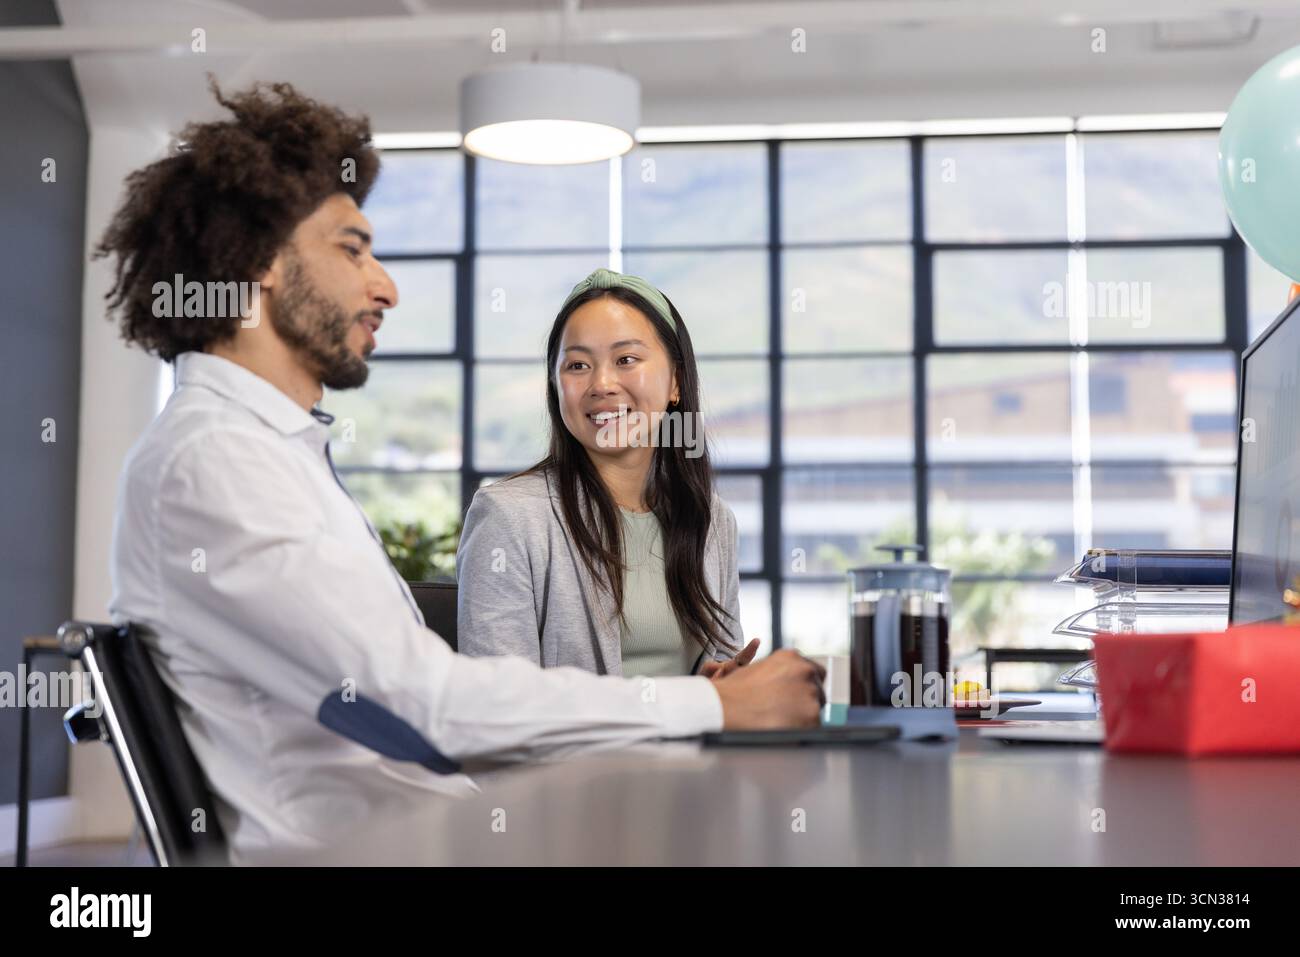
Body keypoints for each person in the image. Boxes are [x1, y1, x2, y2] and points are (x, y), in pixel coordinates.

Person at [98, 80, 823, 862]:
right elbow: (431, 703)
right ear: (255, 263)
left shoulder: (267, 451)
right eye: (351, 248)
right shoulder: (216, 461)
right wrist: (710, 704)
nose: (385, 286)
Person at [457, 268, 759, 679]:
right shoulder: (509, 517)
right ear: (556, 387)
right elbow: (500, 704)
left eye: (626, 360)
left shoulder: (712, 520)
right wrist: (674, 706)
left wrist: (723, 685)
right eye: (578, 365)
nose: (601, 384)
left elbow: (723, 669)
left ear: (676, 381)